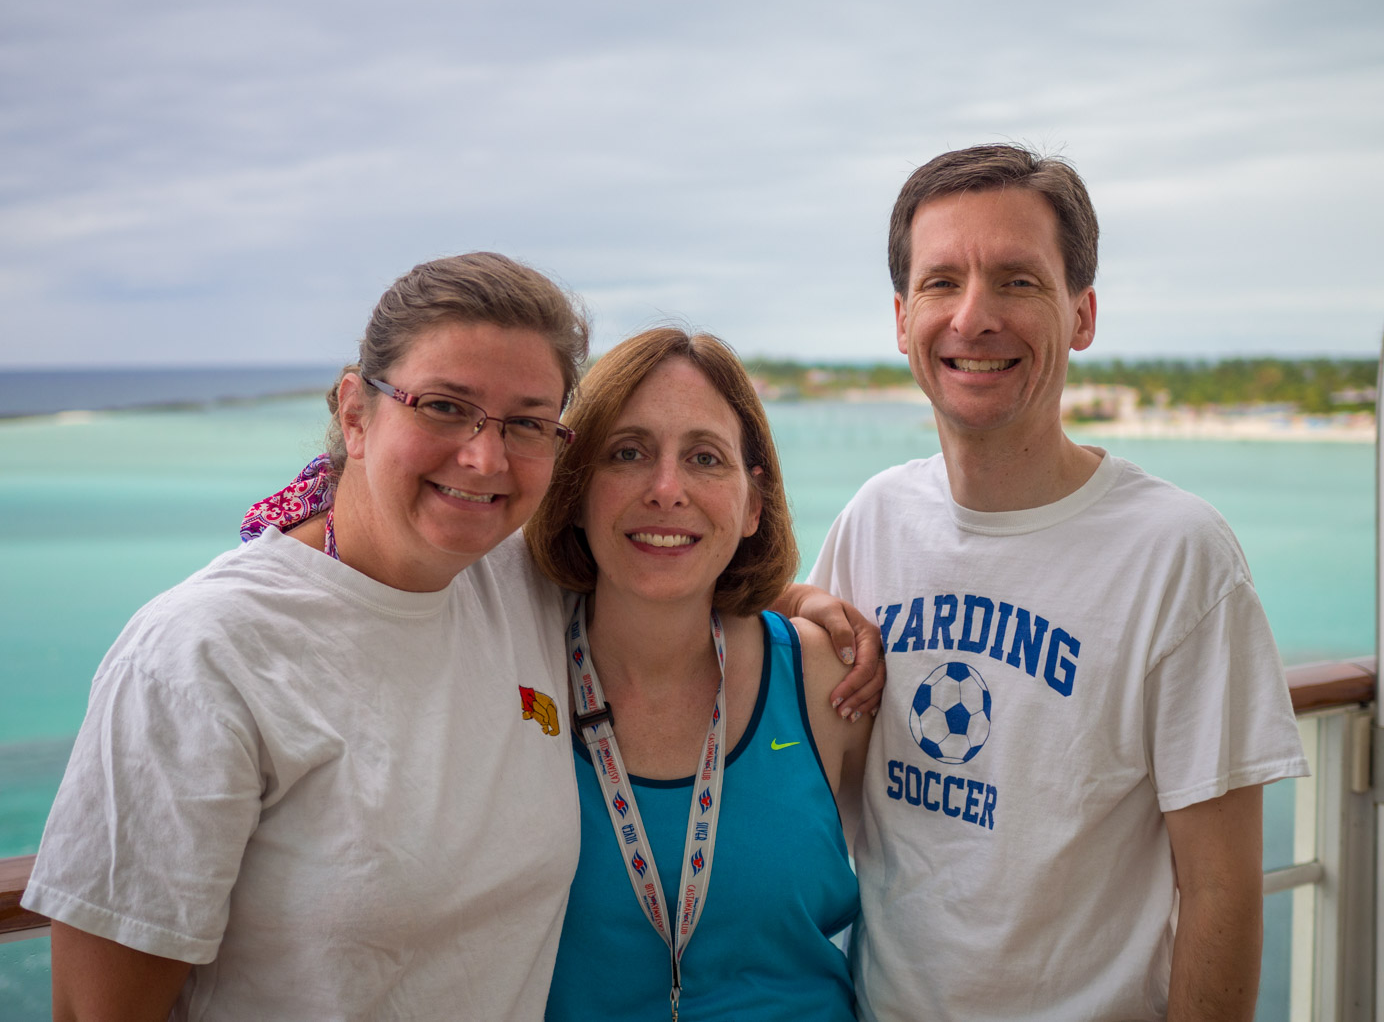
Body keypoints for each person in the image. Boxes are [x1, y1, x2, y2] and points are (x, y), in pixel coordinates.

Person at [787, 145, 1310, 1021]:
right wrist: (791, 599)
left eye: (1019, 282)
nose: (973, 317)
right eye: (941, 282)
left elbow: (1220, 891)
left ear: (1082, 314)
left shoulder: (1178, 557)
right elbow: (797, 738)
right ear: (901, 315)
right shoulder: (872, 521)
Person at [23, 253, 592, 1021]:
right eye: (444, 406)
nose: (483, 457)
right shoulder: (200, 654)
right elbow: (97, 1012)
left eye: (526, 423)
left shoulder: (520, 582)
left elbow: (676, 579)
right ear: (356, 413)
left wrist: (801, 608)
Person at [525, 328, 871, 1022]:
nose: (666, 489)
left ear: (752, 504)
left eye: (705, 459)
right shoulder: (513, 667)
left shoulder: (823, 678)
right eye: (628, 453)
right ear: (576, 484)